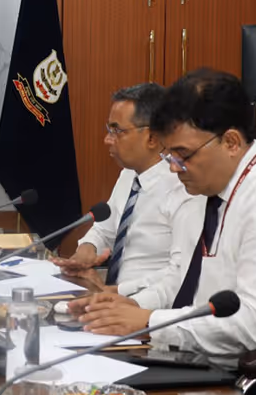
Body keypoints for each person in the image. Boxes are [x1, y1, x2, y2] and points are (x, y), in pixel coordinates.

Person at [74, 69, 256, 395]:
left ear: (231, 142)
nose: (174, 168)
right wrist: (123, 308)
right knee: (90, 391)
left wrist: (149, 322)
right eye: (170, 156)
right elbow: (180, 281)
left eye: (183, 155)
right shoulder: (210, 191)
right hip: (213, 361)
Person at [56, 83, 204, 295]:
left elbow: (181, 272)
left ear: (152, 138)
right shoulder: (129, 175)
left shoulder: (184, 187)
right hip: (112, 295)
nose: (107, 140)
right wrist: (87, 249)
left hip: (148, 305)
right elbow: (104, 229)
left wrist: (115, 292)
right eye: (109, 130)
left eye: (117, 131)